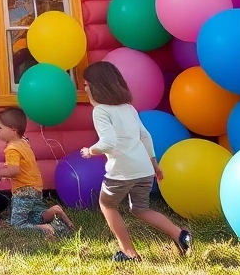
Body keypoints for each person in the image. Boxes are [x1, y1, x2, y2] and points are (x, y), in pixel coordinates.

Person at [80, 62, 192, 263]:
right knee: (140, 208)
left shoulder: (101, 112)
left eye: (86, 84)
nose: (85, 88)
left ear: (97, 86)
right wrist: (154, 164)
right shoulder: (128, 108)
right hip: (143, 169)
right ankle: (180, 234)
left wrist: (91, 150)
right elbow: (146, 136)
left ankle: (129, 253)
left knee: (107, 205)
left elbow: (108, 142)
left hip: (121, 171)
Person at [0, 107, 73, 240]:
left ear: (13, 130)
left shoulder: (12, 148)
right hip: (35, 188)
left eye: (0, 128)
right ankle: (54, 211)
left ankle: (45, 230)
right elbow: (23, 167)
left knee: (17, 224)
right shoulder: (24, 143)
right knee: (35, 216)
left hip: (23, 191)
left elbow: (14, 171)